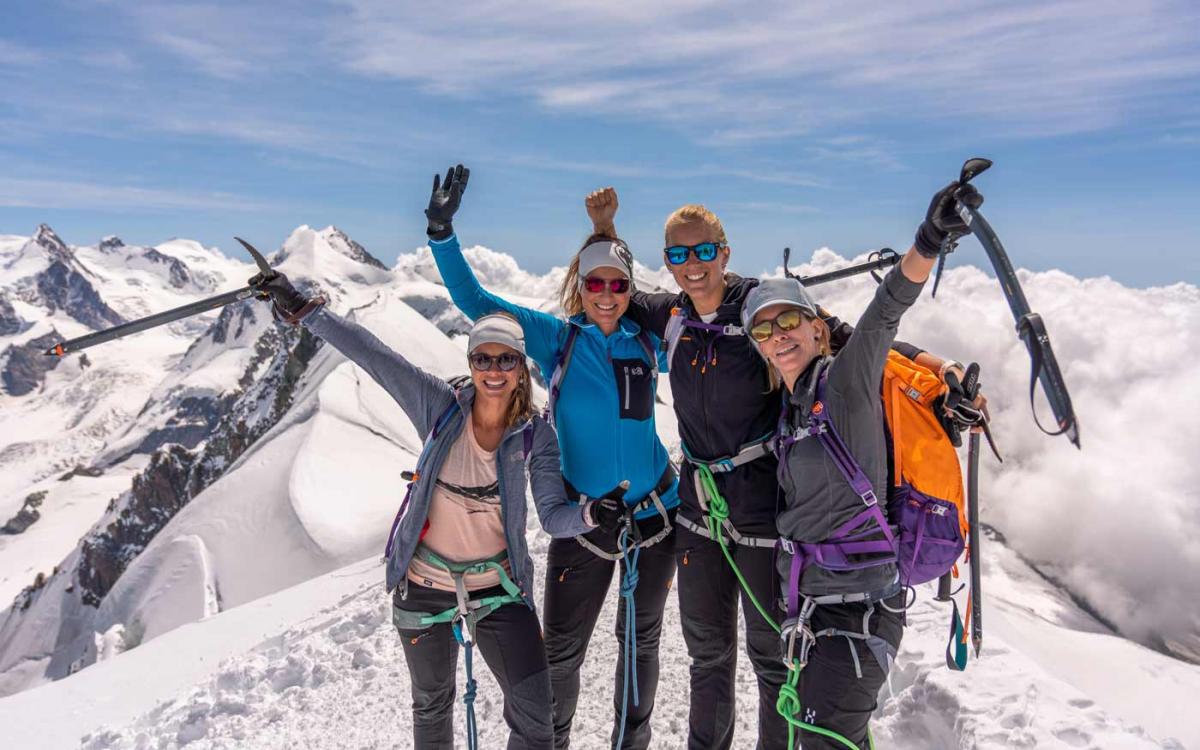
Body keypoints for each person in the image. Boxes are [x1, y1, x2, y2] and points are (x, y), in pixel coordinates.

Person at [585, 189, 981, 750]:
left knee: (773, 660)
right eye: (678, 256)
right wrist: (604, 229)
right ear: (667, 262)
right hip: (700, 515)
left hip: (768, 517)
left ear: (725, 252)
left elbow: (862, 336)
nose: (692, 266)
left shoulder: (762, 309)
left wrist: (938, 373)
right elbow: (611, 287)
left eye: (703, 252)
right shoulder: (668, 313)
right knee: (707, 654)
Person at [249, 269, 593, 750]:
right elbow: (375, 358)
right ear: (471, 363)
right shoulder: (440, 406)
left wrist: (592, 517)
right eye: (483, 358)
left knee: (538, 718)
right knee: (432, 708)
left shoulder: (537, 436)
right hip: (425, 585)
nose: (494, 370)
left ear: (521, 369)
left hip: (500, 587)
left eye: (506, 359)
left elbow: (554, 515)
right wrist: (306, 309)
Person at [424, 165, 680, 750]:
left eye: (619, 286)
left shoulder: (647, 341)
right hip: (585, 524)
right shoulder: (557, 338)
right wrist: (442, 232)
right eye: (596, 286)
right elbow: (475, 300)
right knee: (560, 652)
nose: (608, 295)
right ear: (580, 289)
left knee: (641, 643)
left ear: (631, 290)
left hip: (657, 516)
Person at [745, 178, 983, 748]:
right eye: (763, 328)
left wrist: (928, 240)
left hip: (856, 615)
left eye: (788, 322)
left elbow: (883, 315)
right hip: (814, 611)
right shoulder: (791, 407)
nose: (777, 337)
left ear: (817, 328)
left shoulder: (845, 382)